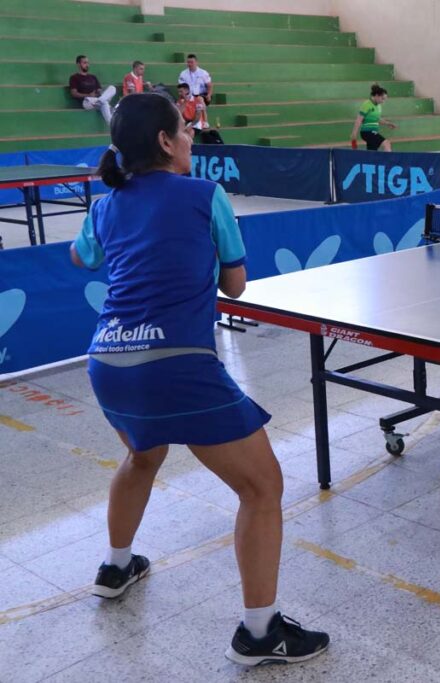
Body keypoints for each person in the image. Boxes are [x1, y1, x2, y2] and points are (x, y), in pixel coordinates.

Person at [69, 93, 328, 665]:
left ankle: (115, 567)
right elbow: (235, 286)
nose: (191, 137)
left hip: (108, 362)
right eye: (184, 130)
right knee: (261, 488)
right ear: (165, 141)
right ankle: (260, 633)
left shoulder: (104, 205)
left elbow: (80, 258)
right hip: (178, 365)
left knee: (142, 457)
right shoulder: (206, 195)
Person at [69, 55, 117, 125]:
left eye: (88, 63)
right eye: (84, 63)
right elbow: (74, 93)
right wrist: (88, 95)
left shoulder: (93, 77)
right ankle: (102, 102)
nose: (87, 65)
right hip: (86, 101)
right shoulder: (74, 77)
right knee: (105, 103)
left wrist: (100, 93)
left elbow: (99, 90)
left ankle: (100, 101)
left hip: (97, 100)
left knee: (112, 88)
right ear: (78, 64)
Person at [350, 84, 397, 151]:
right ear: (377, 96)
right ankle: (388, 158)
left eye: (384, 99)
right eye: (382, 99)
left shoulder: (379, 106)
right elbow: (359, 120)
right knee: (387, 143)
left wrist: (388, 123)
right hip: (367, 132)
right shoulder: (366, 104)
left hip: (374, 132)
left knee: (372, 152)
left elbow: (377, 119)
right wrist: (354, 134)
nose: (383, 101)